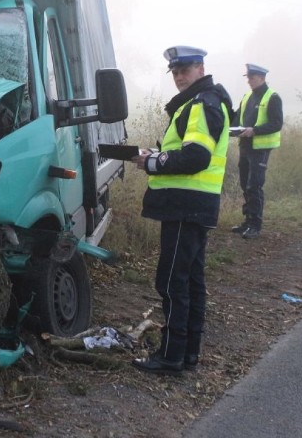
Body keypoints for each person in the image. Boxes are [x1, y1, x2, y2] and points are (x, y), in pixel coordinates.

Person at [131, 46, 233, 376]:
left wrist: (151, 161)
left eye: (185, 70)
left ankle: (171, 356)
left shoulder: (203, 104)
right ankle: (187, 353)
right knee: (190, 282)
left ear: (201, 68)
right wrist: (158, 155)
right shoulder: (199, 103)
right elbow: (186, 153)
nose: (178, 76)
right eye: (174, 72)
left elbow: (196, 157)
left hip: (186, 207)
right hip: (191, 206)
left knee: (173, 282)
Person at [231, 64, 283, 240]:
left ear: (261, 78)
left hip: (260, 148)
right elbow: (237, 117)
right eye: (247, 78)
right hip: (244, 146)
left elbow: (277, 123)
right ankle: (247, 221)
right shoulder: (247, 97)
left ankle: (255, 225)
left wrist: (255, 130)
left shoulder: (273, 97)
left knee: (254, 185)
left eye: (251, 78)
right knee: (244, 183)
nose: (249, 81)